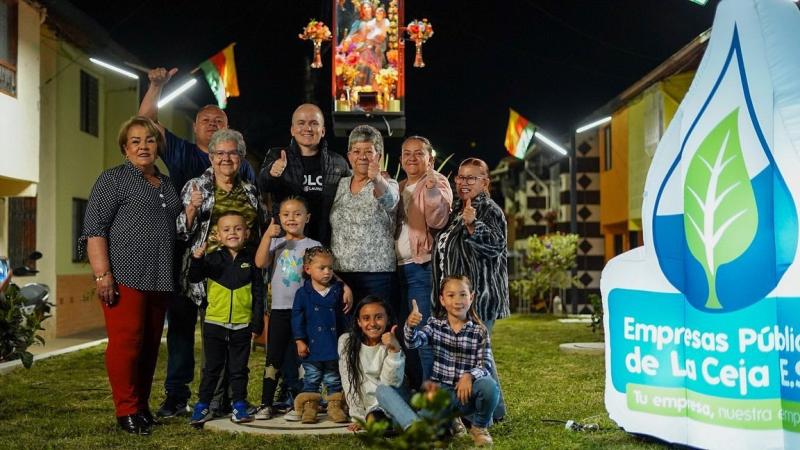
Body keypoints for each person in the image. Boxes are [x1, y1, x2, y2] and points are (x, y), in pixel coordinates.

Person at [139, 67, 256, 418]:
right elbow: (144, 123)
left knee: (224, 332)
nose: (211, 124)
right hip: (188, 257)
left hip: (229, 267)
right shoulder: (181, 153)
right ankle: (177, 395)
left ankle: (220, 396)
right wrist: (156, 85)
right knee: (181, 328)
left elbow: (254, 214)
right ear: (195, 127)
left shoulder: (242, 168)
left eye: (218, 120)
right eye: (205, 120)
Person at [81, 116, 182, 435]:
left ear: (157, 146)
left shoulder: (166, 183)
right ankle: (125, 409)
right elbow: (94, 229)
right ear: (125, 148)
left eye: (149, 140)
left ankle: (141, 406)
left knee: (150, 345)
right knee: (127, 344)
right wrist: (103, 274)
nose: (143, 146)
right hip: (124, 275)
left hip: (161, 276)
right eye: (135, 141)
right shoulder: (112, 180)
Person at [176, 129, 267, 417]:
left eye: (232, 153)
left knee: (239, 342)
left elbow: (259, 231)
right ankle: (214, 400)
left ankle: (235, 399)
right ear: (211, 156)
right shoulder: (197, 186)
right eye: (219, 153)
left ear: (240, 158)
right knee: (215, 343)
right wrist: (191, 209)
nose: (225, 158)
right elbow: (182, 230)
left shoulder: (250, 191)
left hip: (243, 276)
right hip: (209, 277)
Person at [377, 275, 499, 447]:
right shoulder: (435, 325)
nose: (458, 300)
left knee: (489, 386)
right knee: (429, 421)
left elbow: (486, 364)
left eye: (463, 295)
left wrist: (469, 376)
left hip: (468, 394)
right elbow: (413, 343)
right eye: (451, 295)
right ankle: (441, 425)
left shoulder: (480, 331)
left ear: (471, 297)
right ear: (442, 300)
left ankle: (478, 428)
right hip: (442, 395)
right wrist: (411, 326)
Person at [431, 157, 508, 421]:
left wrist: (474, 225)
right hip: (457, 299)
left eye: (471, 178)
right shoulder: (457, 210)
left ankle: (493, 411)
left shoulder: (489, 210)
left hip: (480, 297)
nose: (463, 183)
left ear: (485, 182)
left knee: (480, 354)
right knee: (475, 353)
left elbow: (496, 247)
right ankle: (488, 409)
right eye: (460, 177)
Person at [187, 212, 265, 427]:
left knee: (239, 368)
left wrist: (256, 323)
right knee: (212, 368)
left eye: (238, 229)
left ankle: (239, 404)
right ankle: (203, 405)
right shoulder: (212, 259)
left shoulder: (252, 261)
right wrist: (196, 259)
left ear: (247, 233)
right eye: (227, 229)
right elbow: (194, 278)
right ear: (218, 235)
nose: (232, 233)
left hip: (242, 325)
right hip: (214, 323)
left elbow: (258, 295)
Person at [252, 197, 321, 420]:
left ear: (307, 218)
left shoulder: (313, 245)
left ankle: (298, 403)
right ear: (279, 218)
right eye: (286, 214)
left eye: (297, 214)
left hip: (304, 311)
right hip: (280, 310)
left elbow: (324, 273)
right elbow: (260, 263)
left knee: (302, 357)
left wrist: (344, 286)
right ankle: (266, 403)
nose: (291, 218)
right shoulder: (275, 243)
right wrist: (267, 235)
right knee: (274, 357)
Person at [395, 136, 452, 380]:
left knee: (423, 334)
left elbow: (438, 220)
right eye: (407, 153)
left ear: (431, 159)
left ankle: (432, 401)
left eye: (419, 153)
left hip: (422, 268)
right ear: (400, 159)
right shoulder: (397, 186)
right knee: (403, 333)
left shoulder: (436, 182)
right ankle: (415, 389)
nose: (412, 158)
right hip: (397, 269)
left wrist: (430, 191)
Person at [258, 104, 351, 246]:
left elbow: (352, 194)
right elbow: (263, 185)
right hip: (287, 245)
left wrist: (375, 179)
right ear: (292, 130)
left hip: (324, 245)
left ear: (323, 130)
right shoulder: (277, 155)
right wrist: (272, 172)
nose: (307, 128)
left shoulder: (338, 162)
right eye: (301, 123)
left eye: (314, 123)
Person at [330, 125, 399, 304]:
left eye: (369, 151)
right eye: (356, 151)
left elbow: (390, 201)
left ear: (379, 156)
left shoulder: (388, 182)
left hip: (377, 275)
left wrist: (376, 178)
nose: (362, 156)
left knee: (376, 330)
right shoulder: (340, 184)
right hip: (341, 274)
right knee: (345, 331)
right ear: (349, 156)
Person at [292, 247, 349, 424]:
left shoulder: (338, 290)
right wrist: (300, 341)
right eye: (322, 268)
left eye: (330, 268)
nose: (327, 272)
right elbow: (296, 318)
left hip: (333, 345)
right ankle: (310, 407)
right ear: (308, 269)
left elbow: (343, 319)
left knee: (333, 378)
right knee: (312, 378)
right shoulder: (303, 293)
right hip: (312, 347)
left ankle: (335, 407)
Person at [338, 296, 405, 431]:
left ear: (388, 320)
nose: (372, 323)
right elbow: (348, 381)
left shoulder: (393, 344)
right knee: (377, 423)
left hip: (389, 403)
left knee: (381, 422)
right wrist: (358, 417)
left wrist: (394, 351)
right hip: (365, 405)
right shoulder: (346, 342)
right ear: (358, 322)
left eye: (379, 317)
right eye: (366, 318)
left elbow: (390, 385)